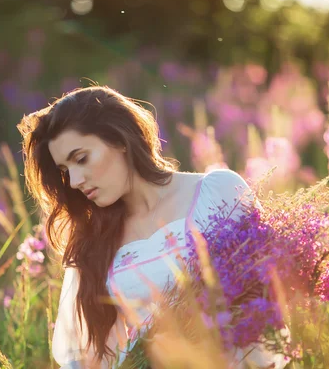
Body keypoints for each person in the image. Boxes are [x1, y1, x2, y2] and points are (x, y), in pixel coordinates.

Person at [17, 86, 288, 368]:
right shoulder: (93, 239)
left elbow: (270, 297)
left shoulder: (218, 192)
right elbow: (81, 358)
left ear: (119, 138)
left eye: (82, 159)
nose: (73, 181)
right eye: (65, 170)